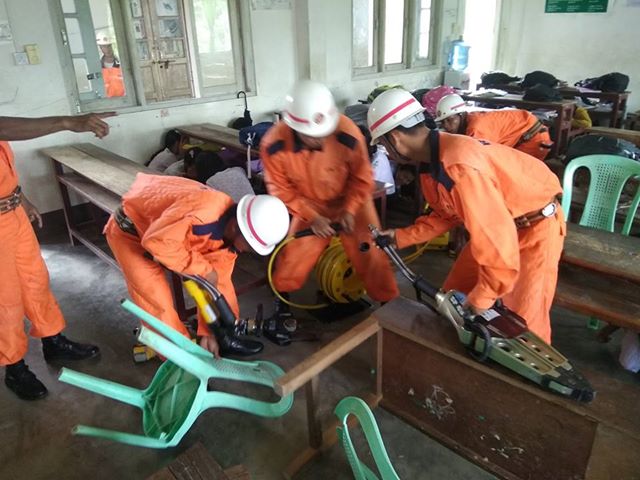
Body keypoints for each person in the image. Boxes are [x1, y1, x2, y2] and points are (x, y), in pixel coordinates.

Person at [368, 88, 565, 343]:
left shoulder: (458, 163)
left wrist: (484, 296)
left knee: (523, 321)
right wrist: (400, 237)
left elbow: (496, 236)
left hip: (534, 228)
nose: (385, 151)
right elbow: (446, 215)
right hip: (504, 226)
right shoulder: (433, 162)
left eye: (382, 145)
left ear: (394, 138)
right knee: (454, 295)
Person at [104, 173, 290, 357]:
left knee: (214, 280)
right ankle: (181, 361)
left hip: (161, 233)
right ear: (236, 227)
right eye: (249, 246)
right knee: (159, 307)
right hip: (131, 233)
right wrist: (203, 269)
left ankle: (220, 340)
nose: (247, 251)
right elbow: (157, 242)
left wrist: (211, 332)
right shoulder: (203, 213)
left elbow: (219, 284)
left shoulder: (228, 232)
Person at [0, 112, 114, 400]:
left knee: (35, 281)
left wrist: (21, 200)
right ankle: (14, 367)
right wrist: (67, 122)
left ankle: (53, 341)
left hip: (12, 214)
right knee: (5, 299)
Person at [260, 80, 400, 311]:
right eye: (314, 136)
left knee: (371, 253)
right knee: (293, 258)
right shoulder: (274, 145)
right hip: (309, 205)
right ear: (295, 128)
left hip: (352, 200)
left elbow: (362, 177)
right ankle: (281, 303)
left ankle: (390, 305)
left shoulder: (347, 132)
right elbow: (281, 190)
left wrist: (350, 209)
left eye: (326, 133)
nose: (322, 139)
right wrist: (313, 217)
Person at [435, 94, 553, 161]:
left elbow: (477, 158)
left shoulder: (477, 128)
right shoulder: (469, 119)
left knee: (510, 175)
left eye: (450, 120)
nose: (446, 126)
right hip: (525, 135)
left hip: (534, 139)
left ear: (461, 115)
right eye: (442, 122)